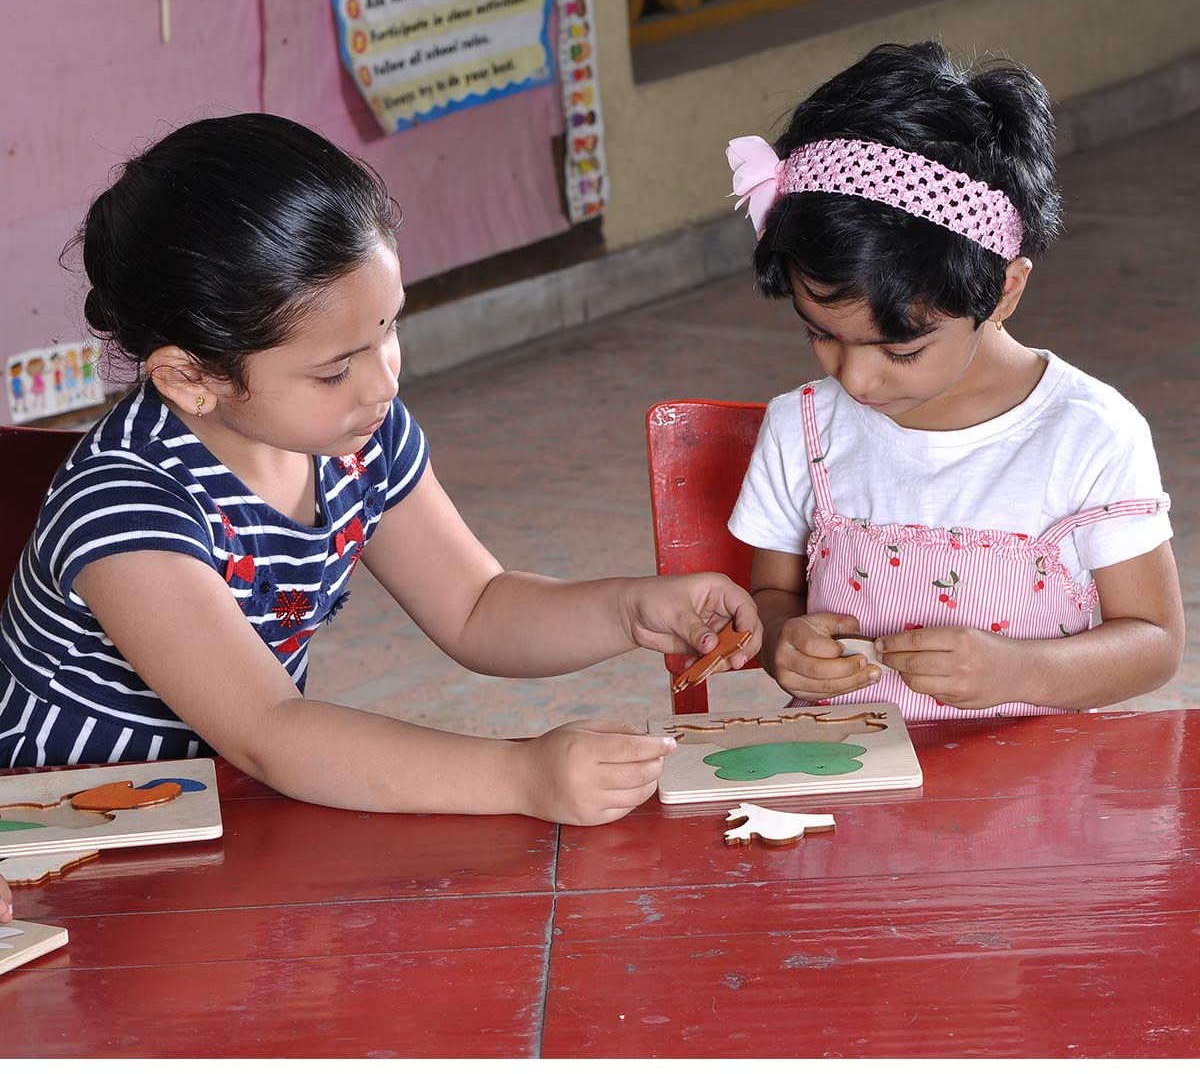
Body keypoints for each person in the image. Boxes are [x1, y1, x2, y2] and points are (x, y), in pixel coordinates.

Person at [0, 114, 761, 825]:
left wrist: (629, 610)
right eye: (335, 370)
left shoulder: (357, 435)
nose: (383, 383)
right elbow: (273, 731)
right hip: (70, 826)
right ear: (191, 377)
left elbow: (477, 608)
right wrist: (522, 777)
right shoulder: (128, 505)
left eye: (388, 328)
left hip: (222, 804)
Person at [725, 40, 1183, 719]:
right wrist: (782, 645)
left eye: (901, 350)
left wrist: (1020, 671)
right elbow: (773, 599)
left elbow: (1154, 644)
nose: (856, 378)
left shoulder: (1089, 434)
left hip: (1036, 799)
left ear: (1001, 293)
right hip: (853, 783)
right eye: (821, 334)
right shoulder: (803, 429)